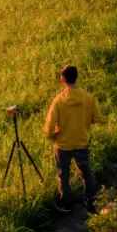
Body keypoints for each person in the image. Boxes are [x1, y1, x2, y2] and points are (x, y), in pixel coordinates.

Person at [43, 64, 102, 213]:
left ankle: (66, 203)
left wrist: (52, 136)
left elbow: (49, 127)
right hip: (81, 141)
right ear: (76, 77)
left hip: (62, 145)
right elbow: (98, 118)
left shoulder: (58, 101)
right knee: (86, 171)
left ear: (63, 79)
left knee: (63, 174)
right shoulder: (88, 98)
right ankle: (91, 201)